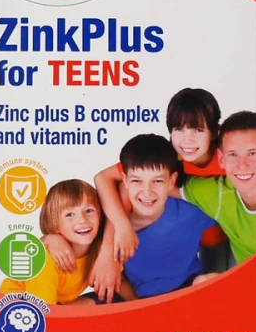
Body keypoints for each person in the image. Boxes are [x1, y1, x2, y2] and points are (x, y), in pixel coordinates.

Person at [94, 88, 226, 262]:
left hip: (229, 234)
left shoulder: (230, 158)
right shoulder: (169, 158)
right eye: (179, 129)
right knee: (131, 186)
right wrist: (122, 227)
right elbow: (103, 178)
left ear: (215, 132)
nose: (187, 140)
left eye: (198, 130)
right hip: (195, 236)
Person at [113, 134, 224, 297]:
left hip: (188, 290)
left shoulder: (193, 211)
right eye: (137, 181)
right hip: (136, 297)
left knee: (207, 281)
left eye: (157, 181)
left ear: (172, 181)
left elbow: (218, 245)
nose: (147, 192)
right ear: (125, 180)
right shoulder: (112, 222)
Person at [0, 179, 136, 305]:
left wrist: (136, 304)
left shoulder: (100, 251)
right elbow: (43, 311)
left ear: (100, 217)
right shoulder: (46, 260)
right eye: (70, 214)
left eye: (89, 211)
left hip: (56, 303)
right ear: (54, 225)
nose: (82, 220)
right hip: (18, 306)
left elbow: (119, 280)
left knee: (94, 303)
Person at [177, 111, 256, 264]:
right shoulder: (218, 194)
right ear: (222, 159)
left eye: (253, 153)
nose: (242, 165)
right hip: (242, 272)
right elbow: (157, 185)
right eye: (233, 155)